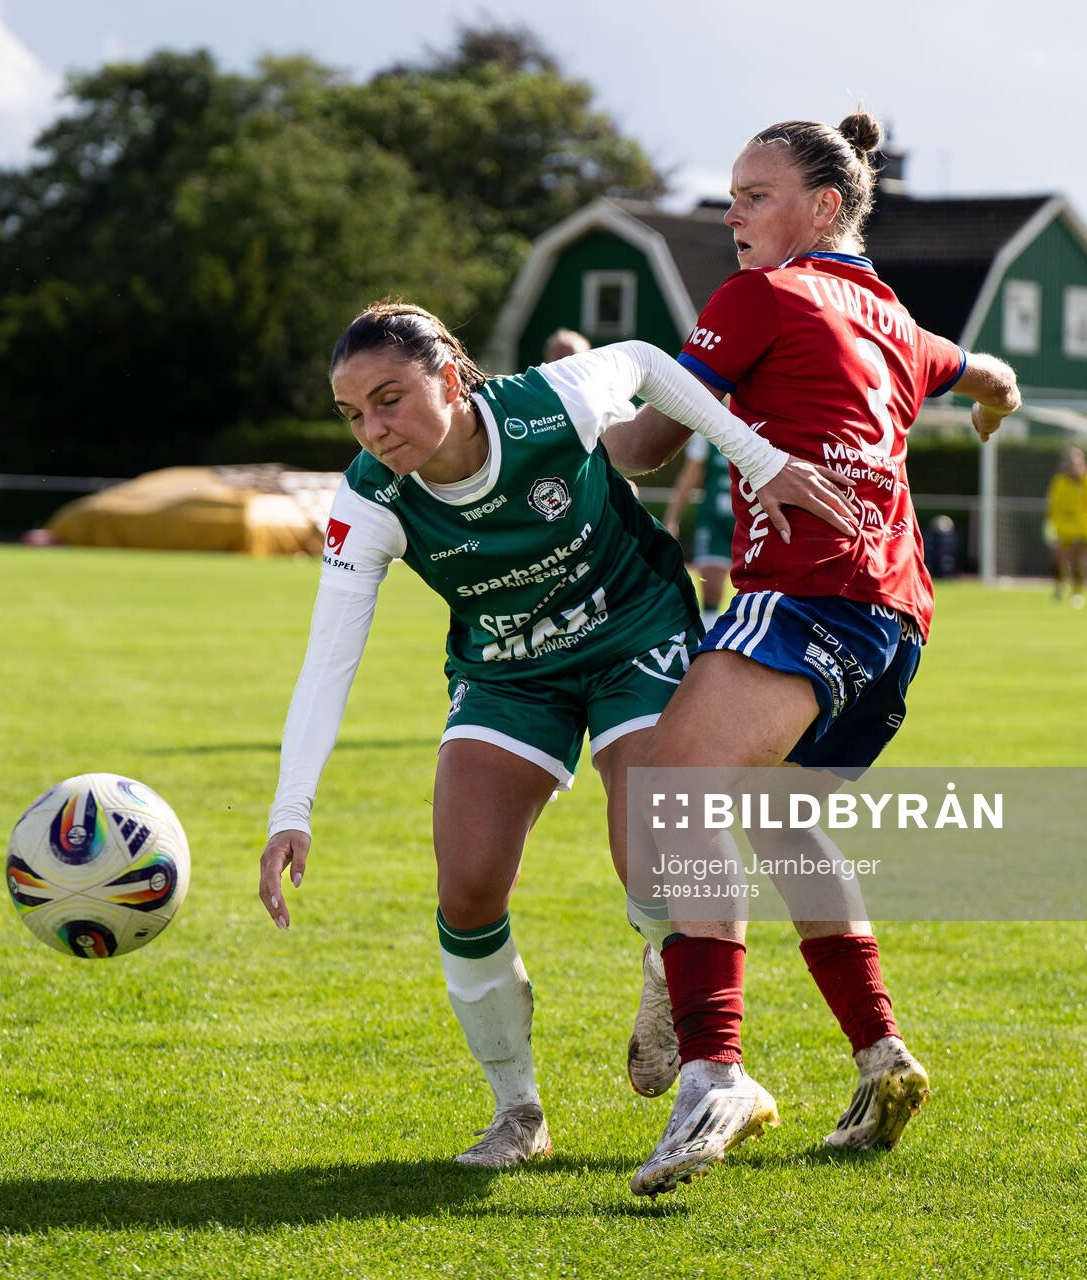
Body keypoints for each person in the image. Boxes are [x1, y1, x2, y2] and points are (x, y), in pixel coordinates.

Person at [258, 301, 855, 1169]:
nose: (373, 429)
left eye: (390, 399)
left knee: (654, 852)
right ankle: (518, 1115)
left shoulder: (550, 402)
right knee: (466, 888)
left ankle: (672, 971)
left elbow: (648, 361)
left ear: (452, 379)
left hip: (634, 633)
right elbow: (327, 657)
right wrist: (292, 809)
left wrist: (758, 461)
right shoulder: (369, 498)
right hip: (510, 670)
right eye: (354, 413)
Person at [599, 111, 1021, 1194]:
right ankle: (881, 1052)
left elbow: (644, 450)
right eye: (732, 194)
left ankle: (714, 1067)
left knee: (669, 794)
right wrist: (998, 401)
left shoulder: (757, 299)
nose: (732, 214)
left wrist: (557, 413)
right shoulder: (892, 315)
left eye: (754, 193)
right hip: (899, 621)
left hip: (807, 599)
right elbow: (987, 370)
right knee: (783, 818)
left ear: (824, 206)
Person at [661, 436, 735, 626]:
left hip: (749, 519)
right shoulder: (708, 426)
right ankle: (708, 637)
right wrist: (672, 518)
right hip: (715, 518)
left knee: (757, 588)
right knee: (710, 583)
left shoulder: (762, 422)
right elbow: (690, 474)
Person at [1045, 446, 1087, 607]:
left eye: (1076, 463)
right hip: (1062, 528)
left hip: (1082, 528)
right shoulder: (1059, 482)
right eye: (1070, 463)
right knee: (1058, 559)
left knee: (1078, 561)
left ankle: (1077, 593)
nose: (1073, 467)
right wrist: (1048, 523)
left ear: (1082, 463)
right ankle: (1060, 587)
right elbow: (1053, 504)